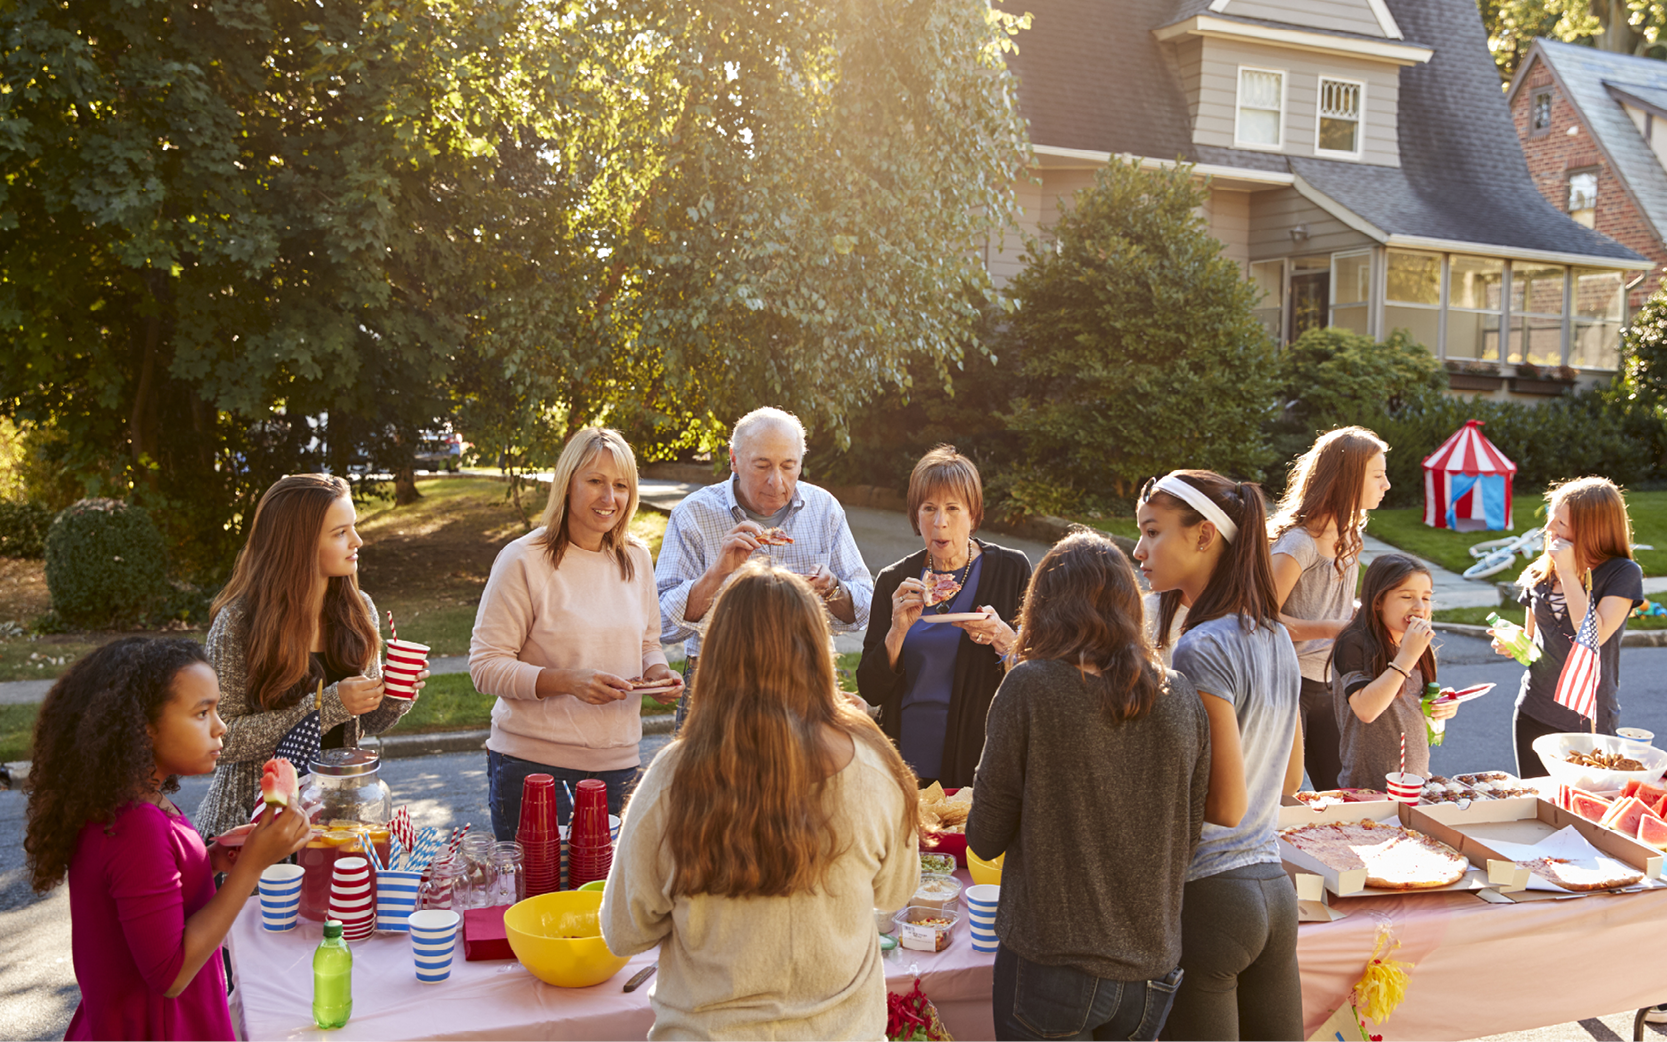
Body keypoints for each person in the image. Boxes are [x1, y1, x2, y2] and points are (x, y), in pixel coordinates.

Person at [600, 562, 919, 1040]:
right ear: (817, 652)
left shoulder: (672, 778)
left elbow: (625, 931)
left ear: (718, 655)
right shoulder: (874, 768)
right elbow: (896, 892)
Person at [967, 531, 1209, 1042]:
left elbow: (984, 835)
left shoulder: (1032, 685)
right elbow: (1188, 836)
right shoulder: (1181, 694)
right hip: (1151, 967)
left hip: (1052, 962)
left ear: (1043, 606)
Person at [25, 637, 311, 1041]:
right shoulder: (135, 826)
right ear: (143, 728)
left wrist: (210, 860)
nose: (221, 726)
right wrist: (252, 866)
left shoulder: (131, 802)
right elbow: (171, 974)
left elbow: (143, 893)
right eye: (202, 713)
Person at [1133, 470, 1303, 1042]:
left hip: (1212, 899)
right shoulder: (1273, 634)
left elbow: (1224, 807)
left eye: (1153, 533)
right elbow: (1291, 776)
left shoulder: (1201, 645)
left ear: (1205, 535)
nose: (1139, 552)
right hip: (1275, 893)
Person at [471, 427, 681, 837]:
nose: (610, 498)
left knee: (604, 898)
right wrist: (567, 682)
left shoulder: (636, 557)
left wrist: (656, 675)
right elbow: (485, 667)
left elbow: (647, 643)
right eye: (596, 482)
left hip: (618, 767)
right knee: (537, 897)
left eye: (621, 485)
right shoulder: (522, 559)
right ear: (567, 484)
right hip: (531, 769)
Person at [193, 474, 417, 840]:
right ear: (298, 545)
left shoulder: (360, 612)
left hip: (333, 824)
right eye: (340, 532)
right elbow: (224, 739)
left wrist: (393, 694)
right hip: (250, 829)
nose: (357, 541)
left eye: (353, 528)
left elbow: (367, 724)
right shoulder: (238, 623)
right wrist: (328, 705)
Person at [655, 407, 874, 726]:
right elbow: (664, 624)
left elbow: (865, 609)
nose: (777, 481)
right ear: (733, 459)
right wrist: (717, 573)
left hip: (805, 678)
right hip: (719, 680)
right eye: (762, 466)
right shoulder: (693, 514)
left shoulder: (824, 509)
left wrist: (832, 589)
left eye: (789, 466)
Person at [857, 446, 1030, 787]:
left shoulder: (1010, 570)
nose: (940, 522)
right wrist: (896, 631)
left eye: (953, 508)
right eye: (929, 509)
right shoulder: (895, 581)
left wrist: (1002, 636)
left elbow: (1038, 672)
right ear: (915, 514)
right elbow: (871, 689)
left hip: (980, 759)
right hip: (903, 761)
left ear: (973, 513)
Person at [1267, 426, 1390, 791]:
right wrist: (1331, 628)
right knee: (1283, 793)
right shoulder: (1297, 544)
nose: (1386, 485)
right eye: (1378, 476)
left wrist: (1359, 614)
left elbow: (1327, 605)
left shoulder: (1350, 536)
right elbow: (1260, 618)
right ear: (1348, 479)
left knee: (1344, 792)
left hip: (1331, 682)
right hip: (1288, 684)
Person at [1505, 476, 1645, 776]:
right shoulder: (1540, 571)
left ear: (1592, 528)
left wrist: (1569, 573)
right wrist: (1514, 642)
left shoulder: (1623, 573)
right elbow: (1532, 643)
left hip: (1586, 718)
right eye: (1550, 518)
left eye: (1561, 523)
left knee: (1577, 814)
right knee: (1537, 807)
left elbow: (1593, 635)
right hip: (1532, 709)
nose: (1548, 529)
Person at [1332, 554, 1459, 790]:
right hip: (1367, 786)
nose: (1420, 607)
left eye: (1426, 598)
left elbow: (1408, 700)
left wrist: (1437, 704)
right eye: (1406, 597)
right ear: (1377, 601)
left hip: (1415, 778)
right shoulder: (1353, 642)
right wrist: (1406, 658)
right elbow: (1366, 709)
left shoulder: (1414, 644)